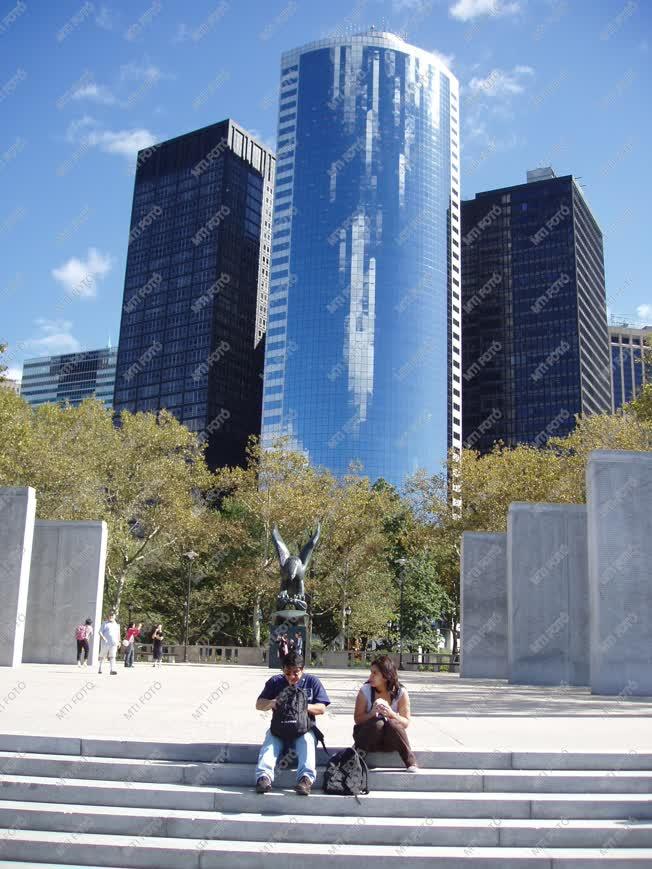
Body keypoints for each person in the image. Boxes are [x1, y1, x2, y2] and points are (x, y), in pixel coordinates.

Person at [255, 650, 330, 796]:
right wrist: (272, 702)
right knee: (270, 743)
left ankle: (305, 780)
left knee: (307, 740)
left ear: (303, 669)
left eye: (296, 673)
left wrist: (303, 707)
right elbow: (259, 704)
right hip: (279, 728)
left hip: (304, 728)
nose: (292, 677)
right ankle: (263, 778)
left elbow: (321, 708)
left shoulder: (312, 681)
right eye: (287, 673)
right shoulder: (275, 682)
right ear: (283, 670)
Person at [353, 654, 417, 771]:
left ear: (386, 676)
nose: (370, 676)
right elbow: (357, 720)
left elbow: (406, 722)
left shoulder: (401, 693)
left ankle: (410, 761)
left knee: (393, 724)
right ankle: (356, 756)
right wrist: (372, 713)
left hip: (389, 740)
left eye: (375, 673)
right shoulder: (365, 690)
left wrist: (391, 714)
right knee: (378, 723)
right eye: (370, 672)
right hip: (367, 738)